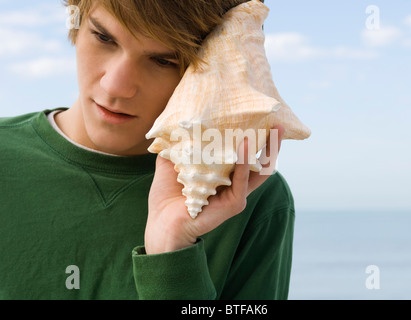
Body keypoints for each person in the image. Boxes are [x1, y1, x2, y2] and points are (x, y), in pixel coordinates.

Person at [0, 0, 295, 299]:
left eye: (163, 60)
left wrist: (170, 253)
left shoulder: (246, 201)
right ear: (75, 21)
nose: (116, 86)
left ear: (216, 67)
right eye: (103, 37)